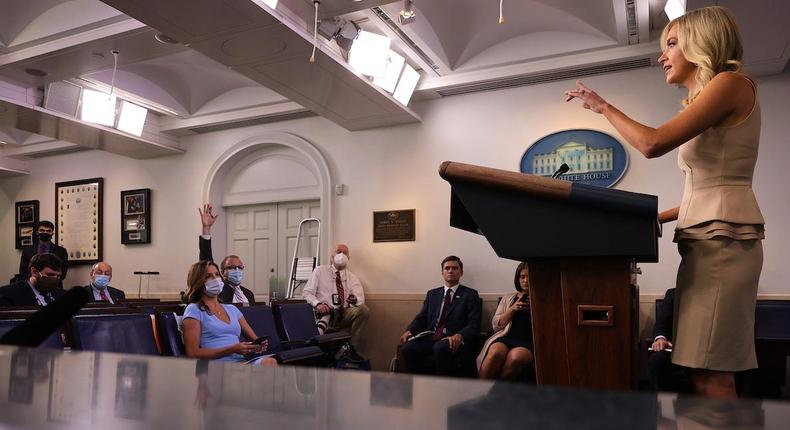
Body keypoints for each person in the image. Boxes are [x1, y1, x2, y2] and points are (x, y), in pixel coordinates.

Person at [565, 6, 763, 398]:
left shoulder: (732, 83)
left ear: (701, 42)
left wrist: (604, 107)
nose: (661, 55)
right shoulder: (709, 97)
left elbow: (652, 143)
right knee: (698, 368)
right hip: (707, 241)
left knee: (711, 371)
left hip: (724, 244)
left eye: (671, 43)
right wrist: (654, 216)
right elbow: (703, 190)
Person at [181, 260, 277, 366]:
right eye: (208, 276)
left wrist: (259, 345)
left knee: (270, 362)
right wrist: (232, 349)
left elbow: (254, 339)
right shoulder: (194, 310)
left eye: (217, 275)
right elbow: (193, 353)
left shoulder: (232, 309)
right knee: (268, 365)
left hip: (240, 363)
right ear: (198, 281)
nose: (215, 279)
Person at [399, 256, 480, 376]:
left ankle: (441, 389)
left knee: (440, 348)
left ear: (461, 272)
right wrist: (410, 330)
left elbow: (474, 323)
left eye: (455, 268)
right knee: (408, 348)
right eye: (447, 268)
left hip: (452, 338)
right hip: (432, 335)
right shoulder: (432, 294)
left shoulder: (470, 294)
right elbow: (421, 317)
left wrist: (460, 335)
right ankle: (416, 386)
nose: (451, 271)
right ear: (442, 272)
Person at [302, 244, 369, 350]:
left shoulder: (352, 278)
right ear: (332, 256)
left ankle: (353, 348)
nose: (341, 255)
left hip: (342, 314)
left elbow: (360, 299)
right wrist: (318, 304)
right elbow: (307, 293)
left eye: (345, 252)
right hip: (323, 313)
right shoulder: (320, 271)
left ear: (348, 258)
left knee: (364, 310)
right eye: (338, 252)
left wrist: (354, 299)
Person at [477, 262, 534, 380]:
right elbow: (496, 325)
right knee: (496, 353)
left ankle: (497, 392)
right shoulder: (508, 297)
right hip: (506, 336)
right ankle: (480, 389)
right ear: (517, 279)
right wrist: (513, 309)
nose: (525, 280)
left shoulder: (544, 298)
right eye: (522, 277)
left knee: (515, 358)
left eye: (529, 277)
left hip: (528, 341)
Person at [197, 203, 256, 305]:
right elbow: (206, 262)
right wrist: (206, 229)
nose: (237, 271)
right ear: (222, 272)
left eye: (240, 267)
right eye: (232, 267)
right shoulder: (218, 290)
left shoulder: (249, 294)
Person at [0, 253, 66, 306]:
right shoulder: (8, 294)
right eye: (50, 275)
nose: (55, 279)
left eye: (58, 276)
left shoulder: (64, 296)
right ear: (34, 272)